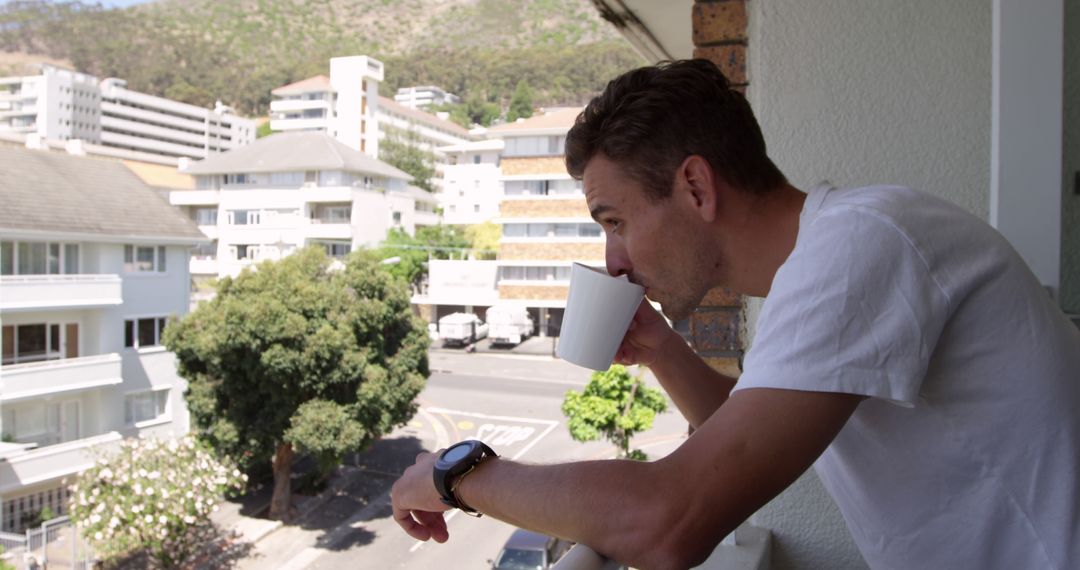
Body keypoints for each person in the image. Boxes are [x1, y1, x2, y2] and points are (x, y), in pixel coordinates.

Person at [390, 59, 1080, 569]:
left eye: (616, 221)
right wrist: (660, 347)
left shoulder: (861, 247)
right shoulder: (831, 262)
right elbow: (741, 428)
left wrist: (459, 475)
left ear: (694, 185)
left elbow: (669, 522)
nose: (614, 262)